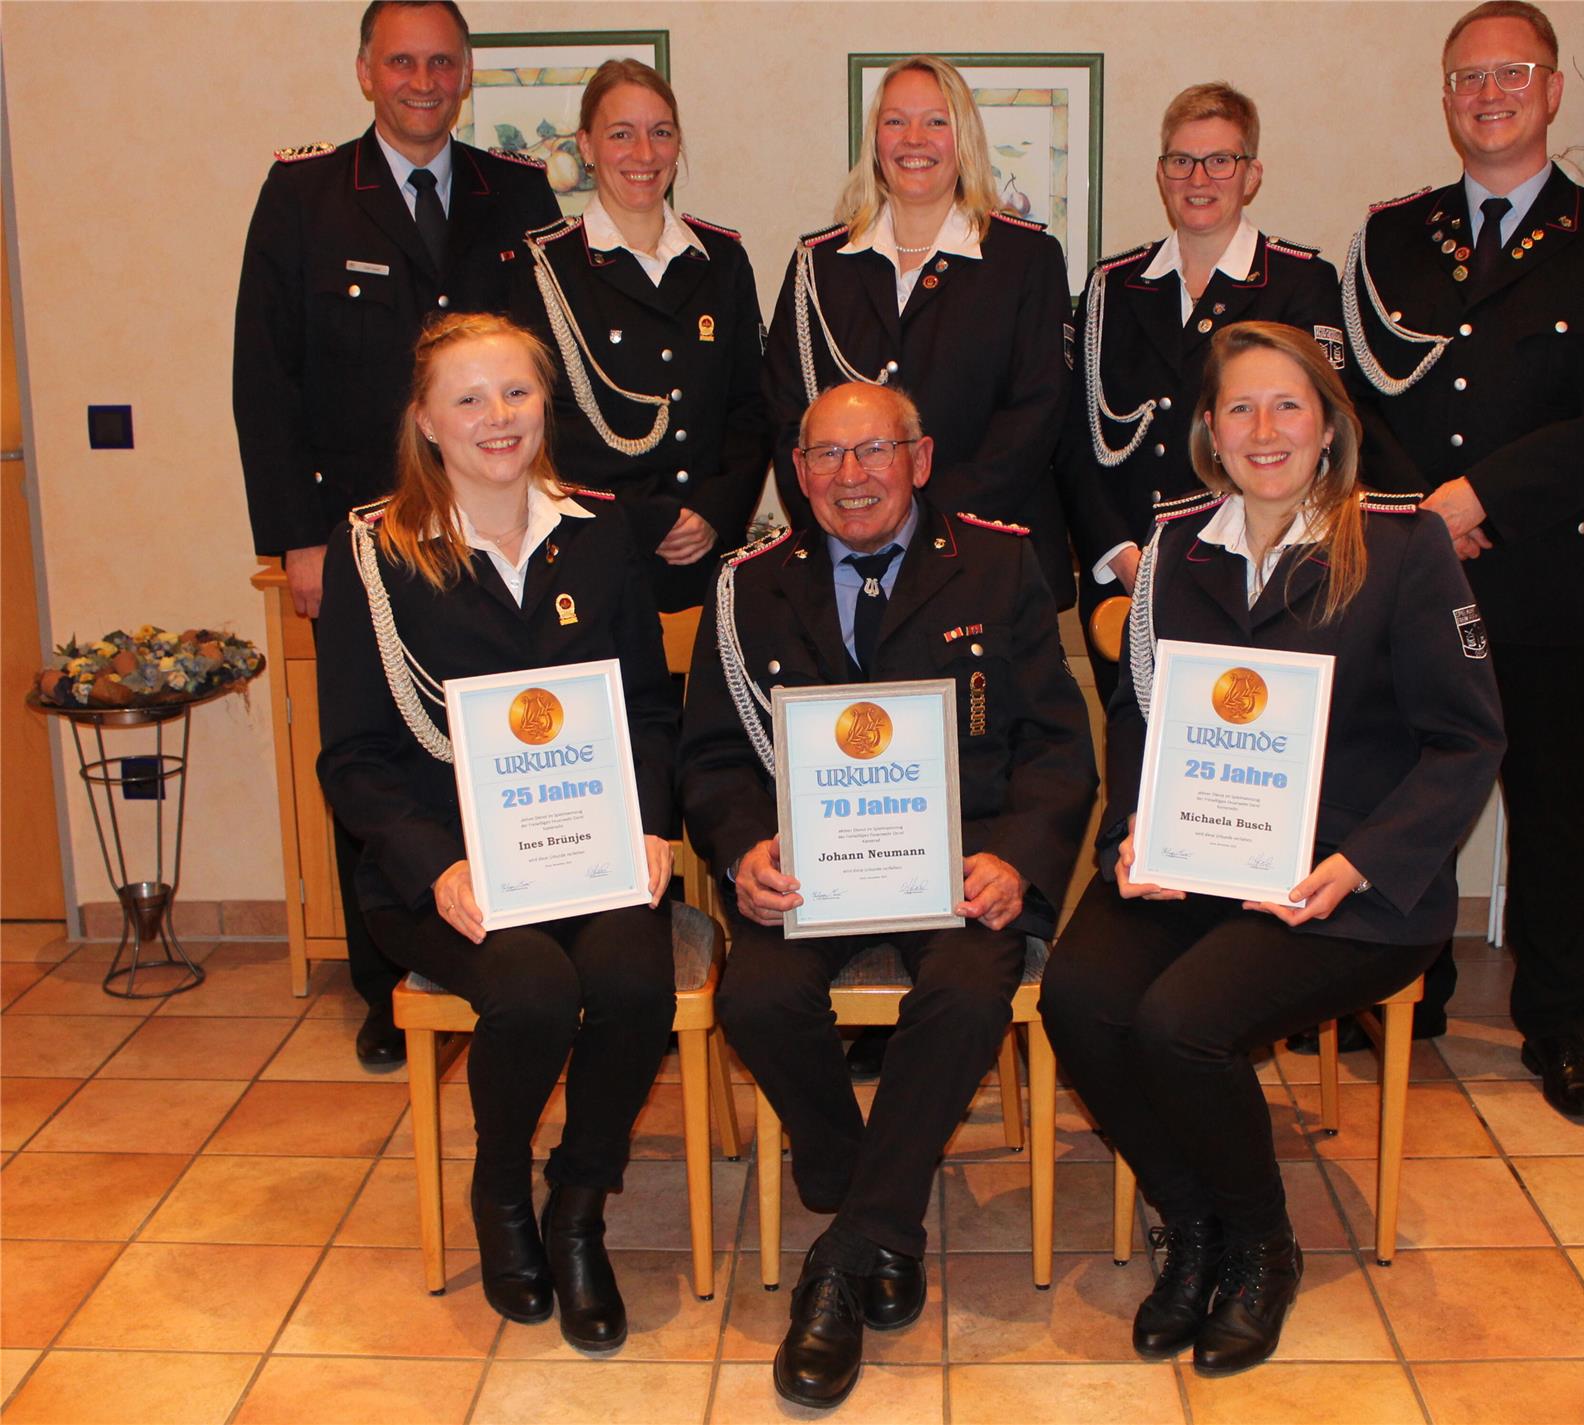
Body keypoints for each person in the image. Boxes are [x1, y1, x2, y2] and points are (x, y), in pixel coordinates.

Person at [1041, 321, 1504, 1375]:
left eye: (1288, 405)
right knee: (1078, 995)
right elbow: (1141, 714)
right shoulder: (1171, 553)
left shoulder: (1401, 546)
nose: (1264, 429)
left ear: (1330, 424)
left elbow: (1468, 738)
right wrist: (1131, 837)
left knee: (1181, 1024)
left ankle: (1261, 1250)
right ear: (1208, 431)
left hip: (1348, 879)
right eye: (1239, 407)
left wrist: (1365, 862)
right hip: (1198, 858)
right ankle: (1194, 1219)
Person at [679, 382, 1096, 1408]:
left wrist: (1020, 861)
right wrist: (743, 856)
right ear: (799, 469)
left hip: (964, 870)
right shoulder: (746, 586)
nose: (850, 476)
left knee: (962, 996)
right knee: (757, 1000)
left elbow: (1057, 746)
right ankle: (873, 1202)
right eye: (825, 456)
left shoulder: (999, 564)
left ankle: (842, 1257)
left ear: (920, 456)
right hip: (812, 871)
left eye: (874, 451)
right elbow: (712, 762)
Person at [315, 312, 680, 1354]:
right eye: (468, 398)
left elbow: (648, 711)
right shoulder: (376, 553)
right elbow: (352, 755)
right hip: (443, 869)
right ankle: (501, 1185)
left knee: (630, 980)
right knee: (530, 988)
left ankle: (578, 1207)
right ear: (425, 419)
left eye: (516, 392)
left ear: (545, 403)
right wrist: (437, 869)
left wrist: (650, 829)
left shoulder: (600, 532)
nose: (497, 417)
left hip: (591, 849)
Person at [1342, 0, 1584, 1119]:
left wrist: (1481, 499)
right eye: (1468, 79)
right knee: (1402, 789)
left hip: (1541, 568)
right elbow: (1363, 401)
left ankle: (1556, 1029)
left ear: (1552, 89)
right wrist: (1423, 513)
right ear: (1446, 101)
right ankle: (1406, 990)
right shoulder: (1394, 236)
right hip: (1412, 574)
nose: (1489, 94)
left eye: (1511, 74)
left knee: (1545, 802)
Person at [233, 0, 561, 1065]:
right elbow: (265, 377)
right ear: (367, 72)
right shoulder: (306, 195)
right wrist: (299, 537)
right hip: (363, 537)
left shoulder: (518, 191)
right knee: (371, 751)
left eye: (443, 63)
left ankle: (513, 935)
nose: (424, 79)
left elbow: (547, 367)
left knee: (494, 735)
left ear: (467, 76)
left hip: (498, 525)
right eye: (403, 61)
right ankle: (388, 982)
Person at [1063, 82, 1345, 700]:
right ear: (1162, 175)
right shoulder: (1111, 287)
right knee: (1133, 763)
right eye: (1181, 161)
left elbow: (1322, 439)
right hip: (1128, 578)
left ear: (1252, 175)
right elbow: (1074, 437)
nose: (1199, 177)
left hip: (1256, 574)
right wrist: (1120, 556)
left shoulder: (1301, 283)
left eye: (1221, 161)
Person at [762, 54, 1076, 606]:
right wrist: (855, 521)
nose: (914, 139)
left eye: (936, 121)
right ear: (875, 139)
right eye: (895, 121)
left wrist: (920, 527)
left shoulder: (1027, 258)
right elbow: (789, 412)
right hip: (849, 561)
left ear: (965, 139)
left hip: (989, 558)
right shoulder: (819, 263)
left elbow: (1036, 414)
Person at [512, 59, 771, 613]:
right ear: (585, 145)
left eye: (661, 133)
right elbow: (549, 425)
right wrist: (651, 518)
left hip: (712, 562)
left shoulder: (721, 260)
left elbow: (751, 406)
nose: (645, 154)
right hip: (598, 561)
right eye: (621, 134)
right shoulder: (545, 269)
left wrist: (715, 511)